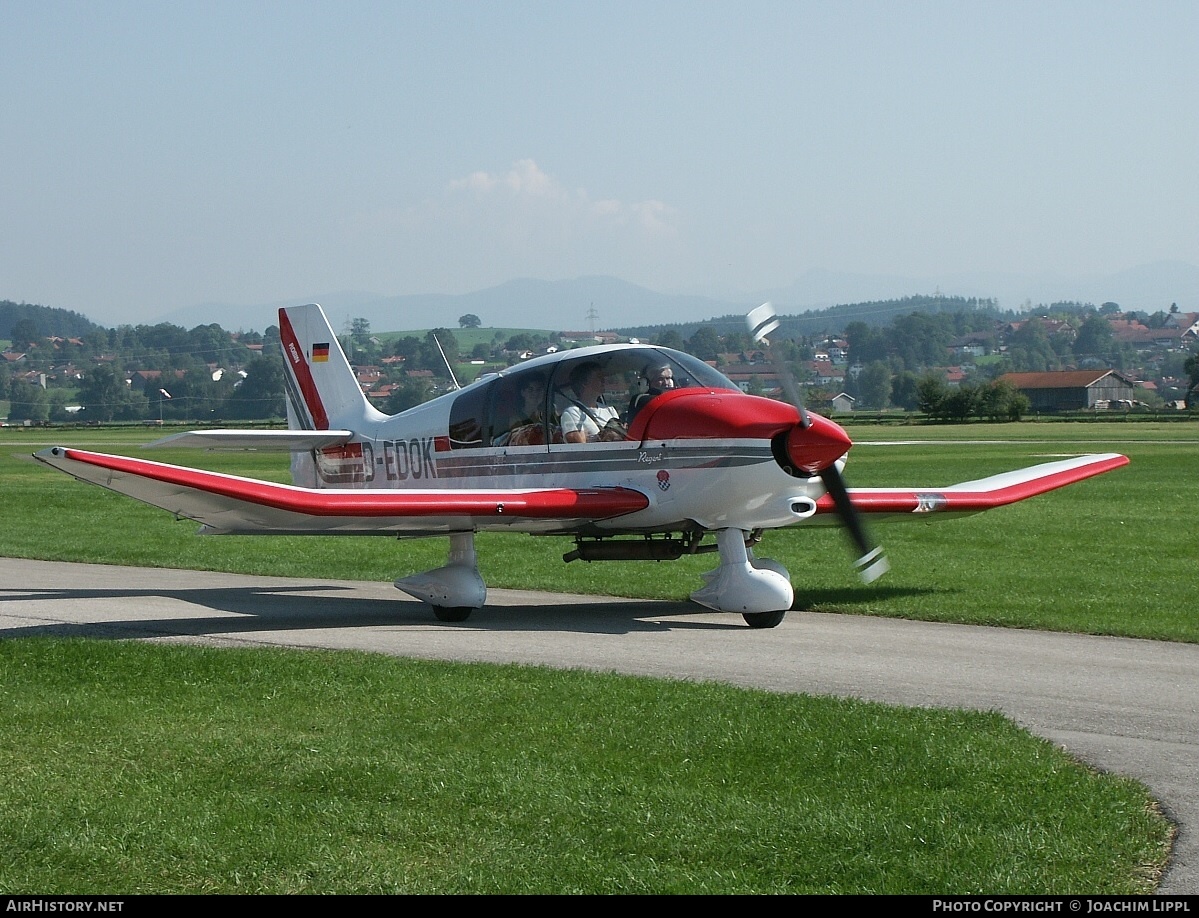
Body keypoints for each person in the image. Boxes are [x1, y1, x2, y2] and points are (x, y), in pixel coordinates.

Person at [559, 362, 624, 443]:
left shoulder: (610, 410)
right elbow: (580, 447)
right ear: (584, 383)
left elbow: (621, 438)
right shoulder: (572, 413)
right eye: (599, 377)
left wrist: (591, 438)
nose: (603, 380)